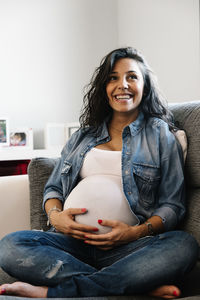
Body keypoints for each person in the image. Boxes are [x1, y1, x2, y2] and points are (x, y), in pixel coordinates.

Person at [0, 47, 198, 299]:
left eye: (132, 77)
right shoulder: (83, 137)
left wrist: (134, 233)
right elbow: (54, 190)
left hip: (130, 247)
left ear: (145, 86)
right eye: (113, 78)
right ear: (103, 88)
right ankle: (135, 284)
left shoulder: (160, 134)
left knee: (184, 246)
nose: (122, 85)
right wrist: (56, 216)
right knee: (9, 246)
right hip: (69, 245)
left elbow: (173, 205)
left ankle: (55, 292)